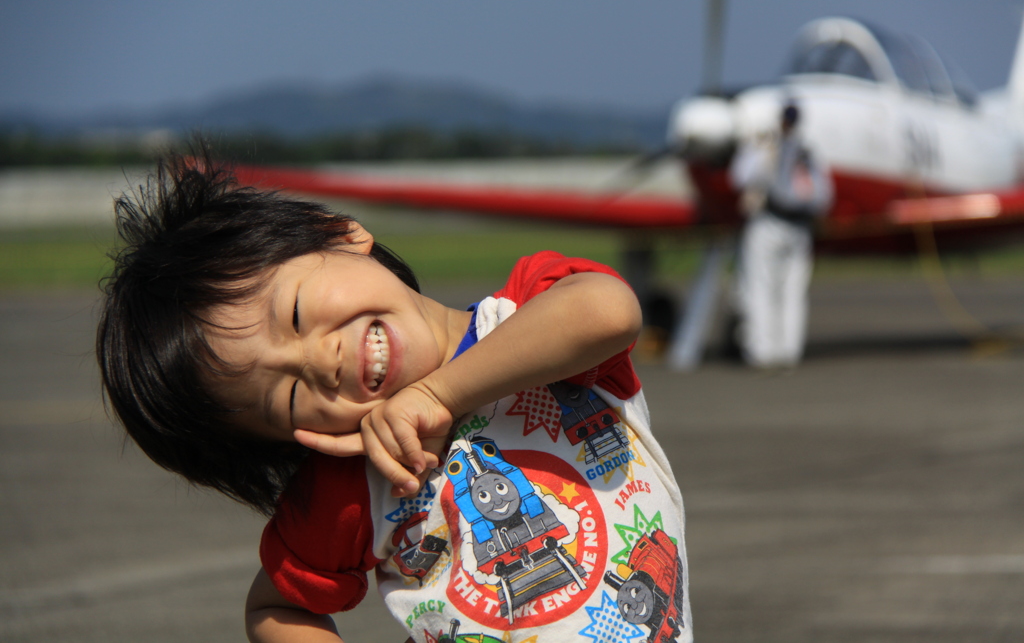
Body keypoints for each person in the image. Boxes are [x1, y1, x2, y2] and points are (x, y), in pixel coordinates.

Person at [97, 148, 693, 643]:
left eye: (298, 314)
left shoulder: (526, 319)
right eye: (288, 396)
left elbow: (607, 312)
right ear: (297, 437)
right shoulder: (357, 480)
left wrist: (438, 394)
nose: (318, 361)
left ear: (342, 234)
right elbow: (276, 608)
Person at [729, 103, 833, 369]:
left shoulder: (796, 152)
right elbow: (824, 196)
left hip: (780, 225)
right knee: (784, 290)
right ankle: (780, 351)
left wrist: (764, 154)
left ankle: (770, 353)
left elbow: (739, 177)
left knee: (770, 289)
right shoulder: (803, 152)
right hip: (789, 225)